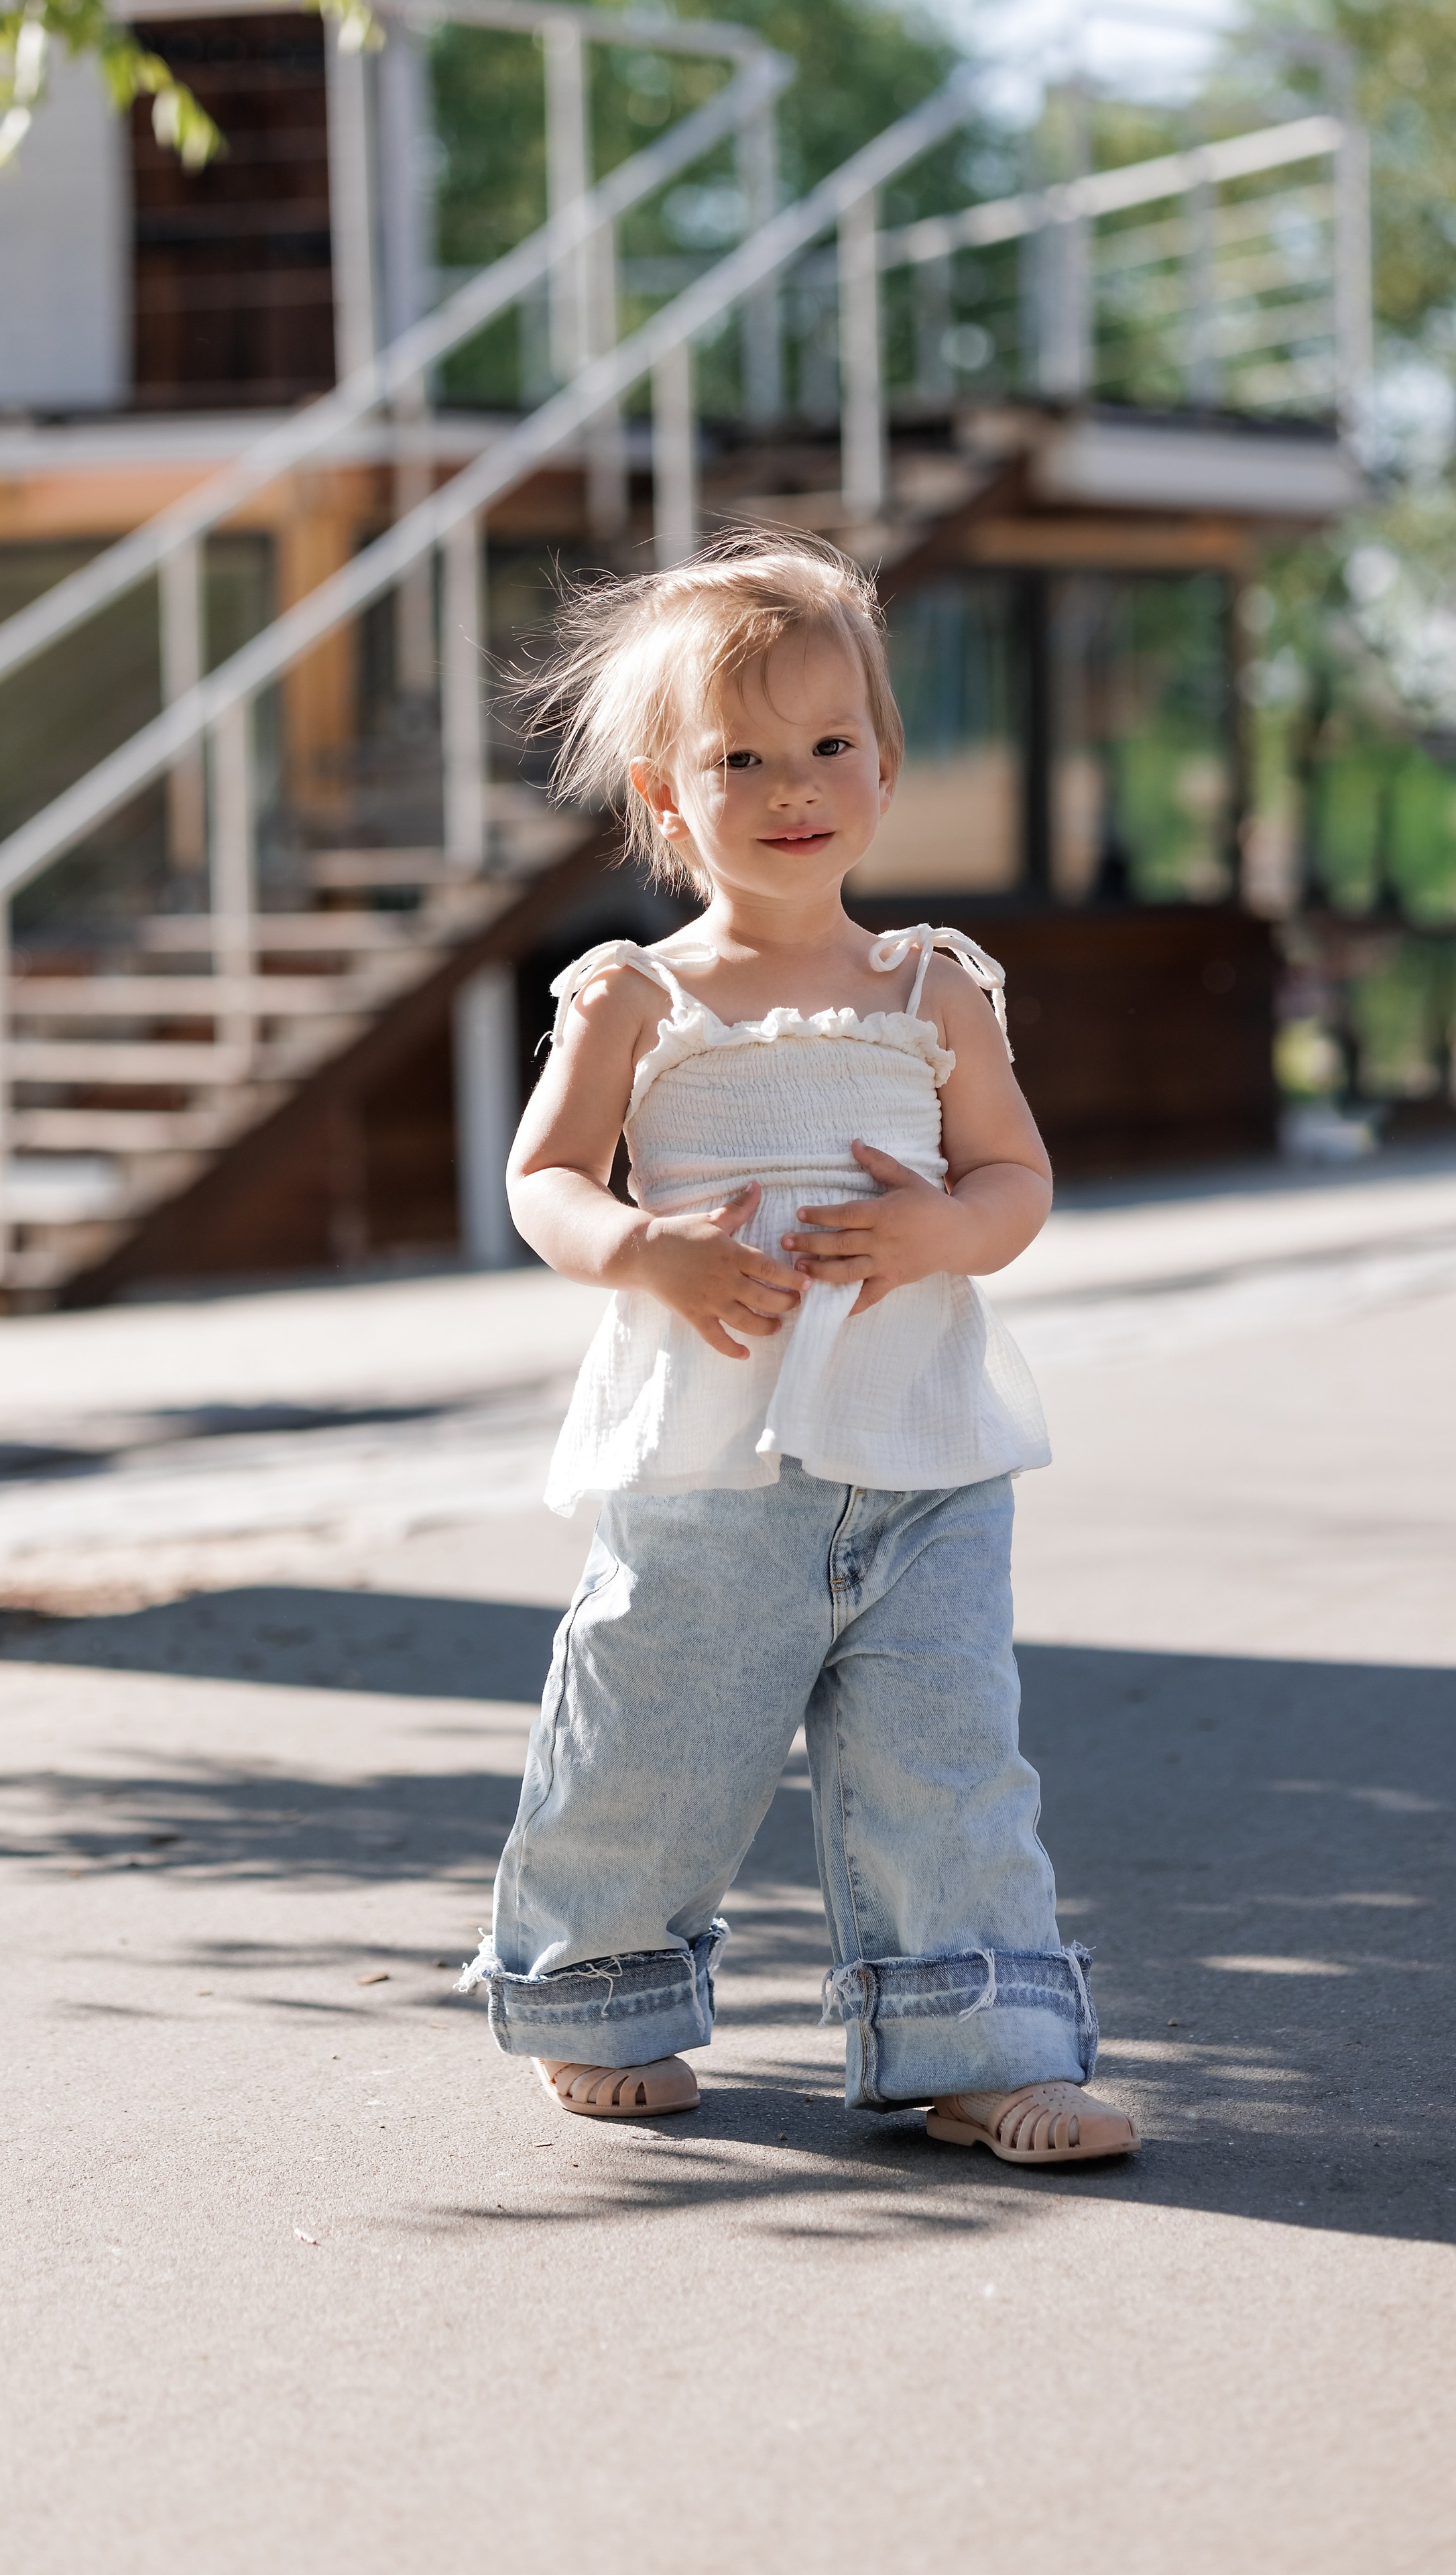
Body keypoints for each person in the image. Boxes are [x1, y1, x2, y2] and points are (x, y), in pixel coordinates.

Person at [457, 533, 1139, 2165]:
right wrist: (646, 1251)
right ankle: (597, 1997)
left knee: (947, 1762)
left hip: (920, 1461)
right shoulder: (637, 995)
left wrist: (941, 1234)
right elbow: (541, 1180)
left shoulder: (930, 988)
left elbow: (1014, 1178)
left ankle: (980, 2043)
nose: (793, 786)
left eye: (829, 745)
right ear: (665, 795)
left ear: (883, 765)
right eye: (741, 758)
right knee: (653, 1745)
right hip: (706, 1472)